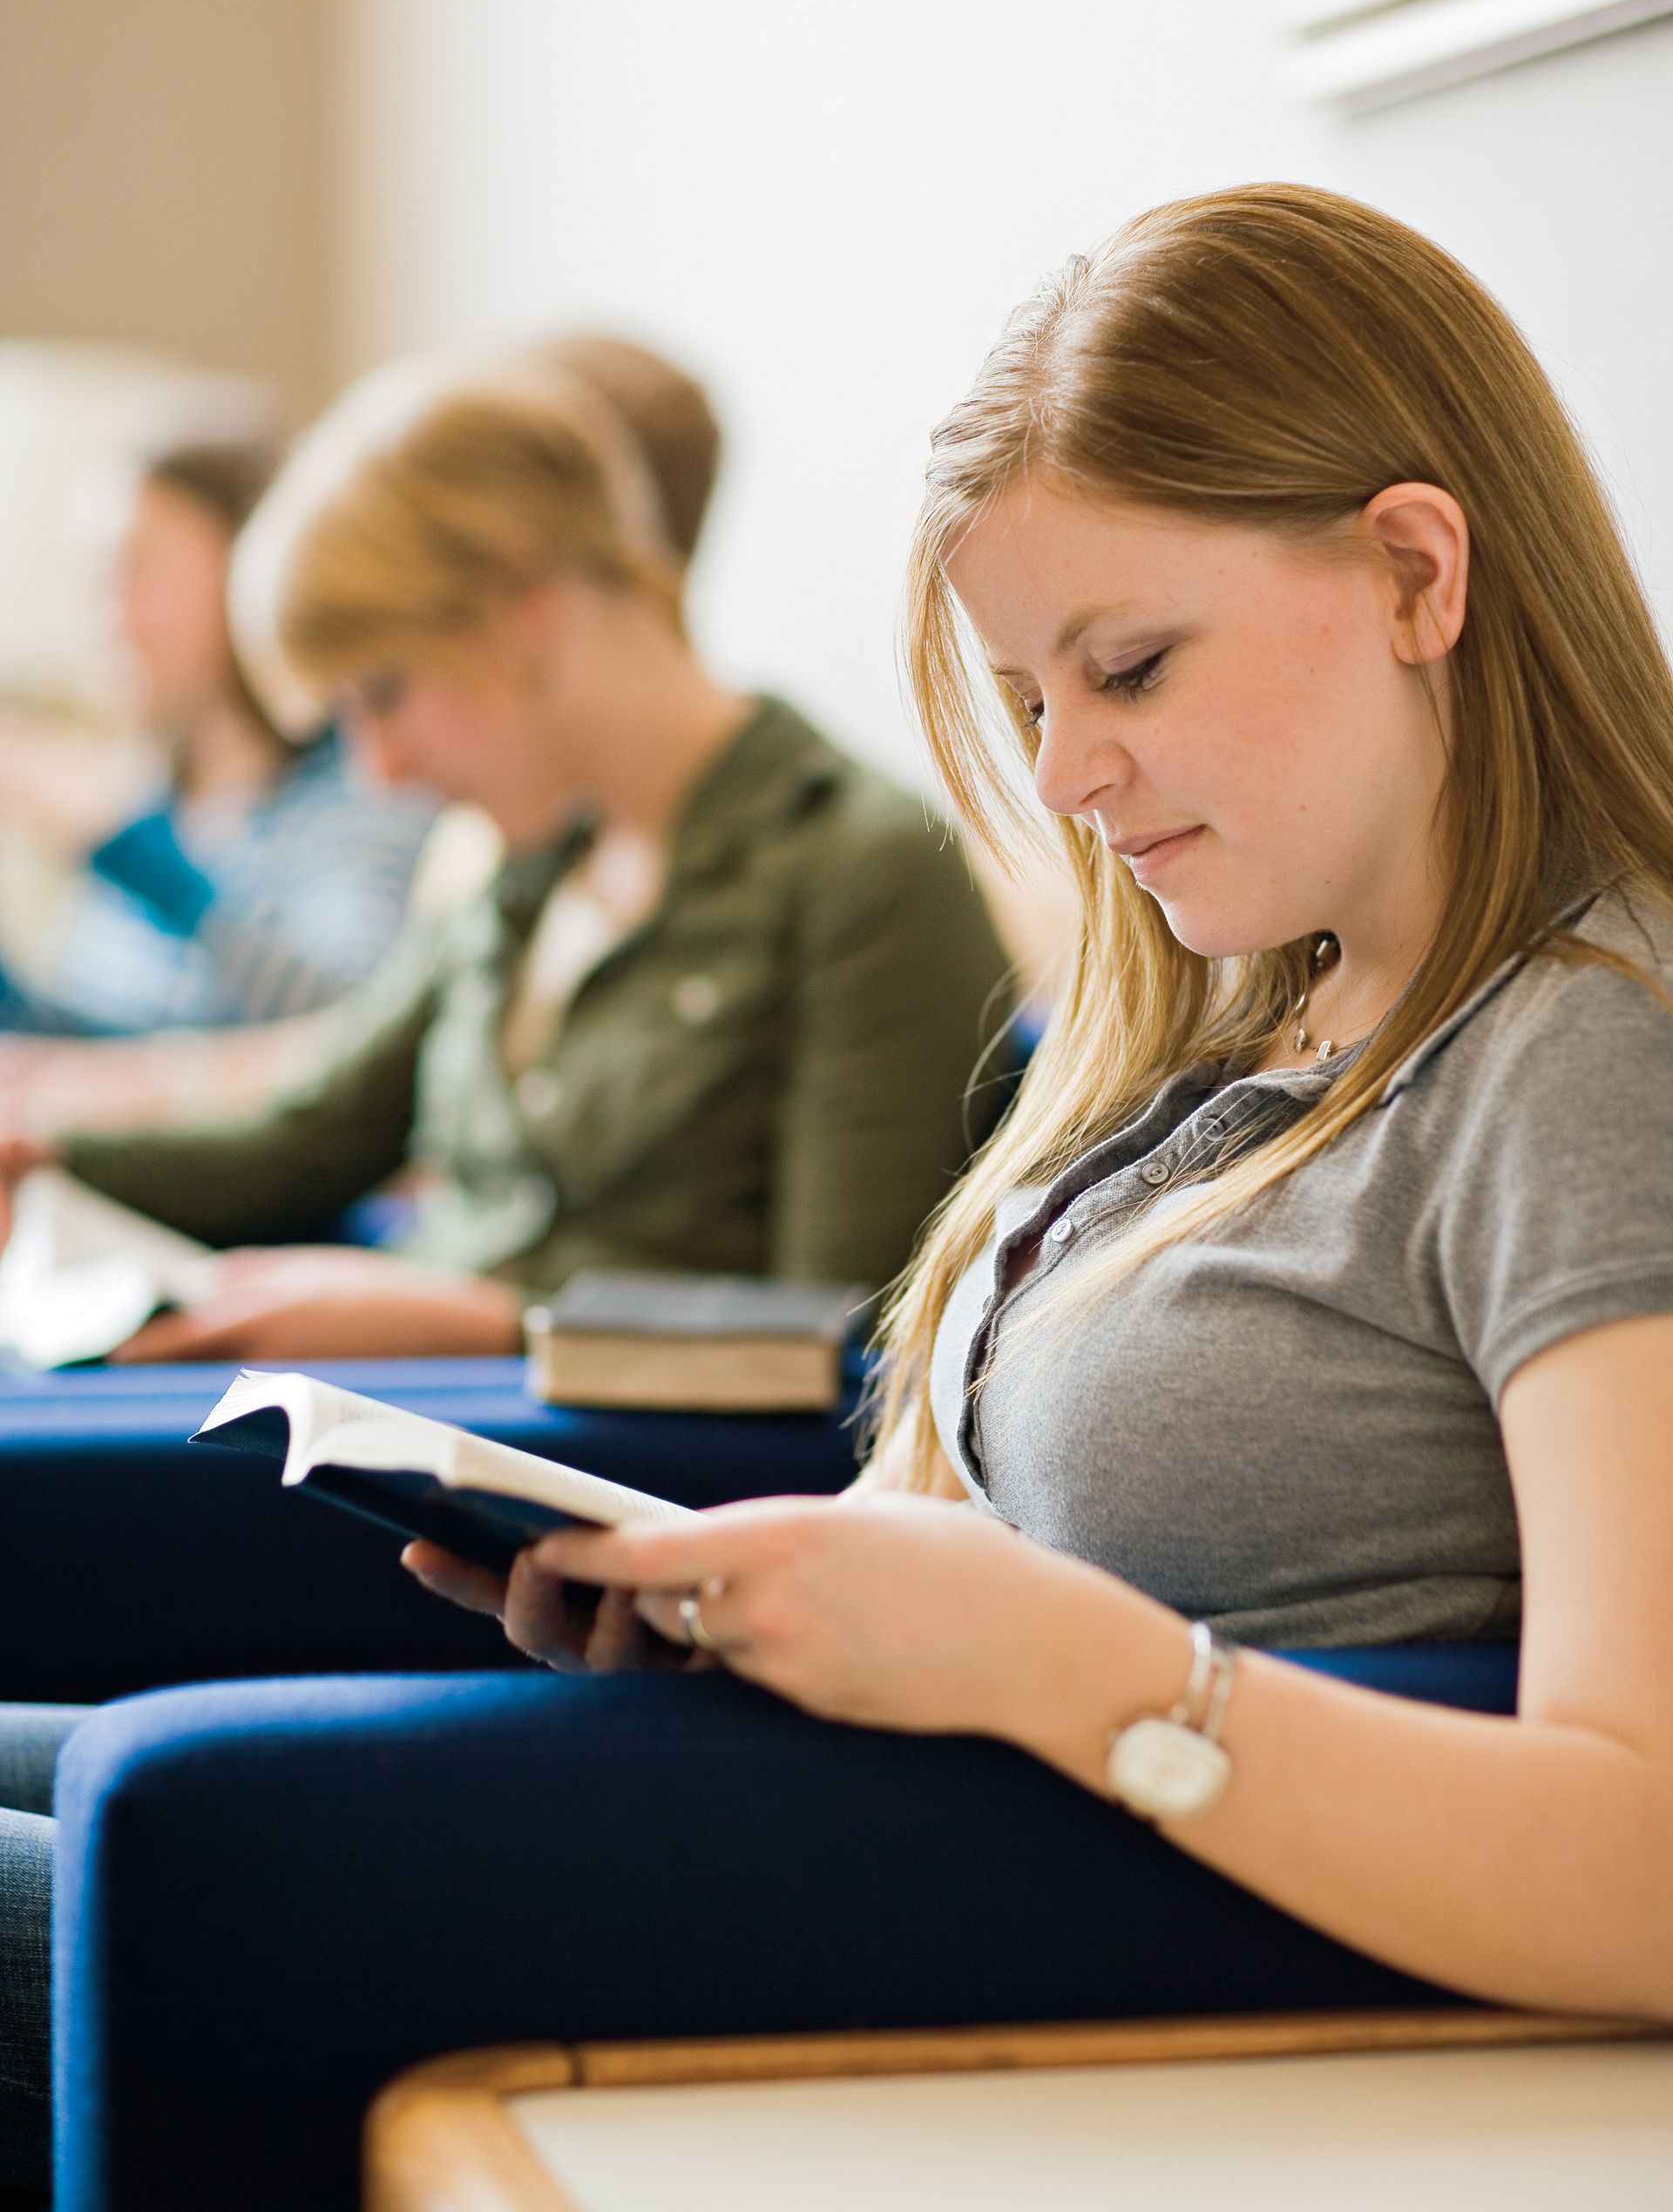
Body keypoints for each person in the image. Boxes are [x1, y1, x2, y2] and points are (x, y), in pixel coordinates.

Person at [13, 184, 1673, 2209]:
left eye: (1129, 664)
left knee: (161, 1812)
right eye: (1029, 697)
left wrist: (1061, 1662)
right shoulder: (1252, 1016)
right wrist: (774, 1604)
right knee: (63, 1779)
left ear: (1419, 571)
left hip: (1146, 1876)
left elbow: (1647, 1854)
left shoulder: (1583, 1055)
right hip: (978, 1788)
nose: (1064, 773)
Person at [0, 353, 1011, 1363]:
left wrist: (479, 1323)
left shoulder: (864, 871)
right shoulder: (515, 869)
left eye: (385, 694)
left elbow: (844, 1344)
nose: (380, 772)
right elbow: (310, 1137)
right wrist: (39, 1156)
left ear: (524, 599)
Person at [0, 441, 436, 1039]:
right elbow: (101, 1050)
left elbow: (351, 1018)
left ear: (250, 572)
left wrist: (126, 845)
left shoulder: (369, 782)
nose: (109, 614)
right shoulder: (153, 792)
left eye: (139, 568)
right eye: (94, 575)